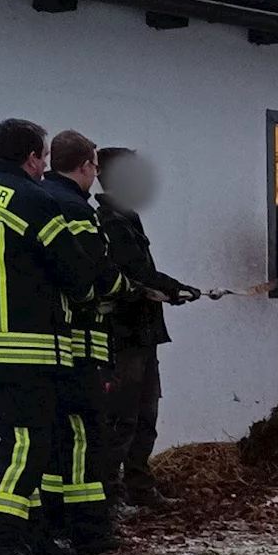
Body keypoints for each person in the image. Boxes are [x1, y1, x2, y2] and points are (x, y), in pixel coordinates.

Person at [0, 119, 129, 555]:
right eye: (43, 159)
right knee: (27, 447)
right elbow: (77, 275)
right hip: (33, 347)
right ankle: (4, 549)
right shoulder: (36, 201)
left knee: (19, 441)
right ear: (34, 158)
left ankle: (30, 537)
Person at [94, 148, 201, 512]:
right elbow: (136, 272)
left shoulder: (126, 218)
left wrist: (173, 289)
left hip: (143, 333)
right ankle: (108, 495)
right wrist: (175, 288)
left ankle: (139, 486)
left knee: (145, 416)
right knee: (122, 418)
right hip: (124, 337)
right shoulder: (109, 222)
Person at [37, 131, 121, 554]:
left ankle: (52, 519)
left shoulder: (42, 199)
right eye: (95, 167)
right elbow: (94, 276)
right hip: (82, 342)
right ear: (87, 166)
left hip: (49, 343)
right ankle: (90, 529)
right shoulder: (76, 210)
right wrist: (128, 287)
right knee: (85, 435)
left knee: (54, 434)